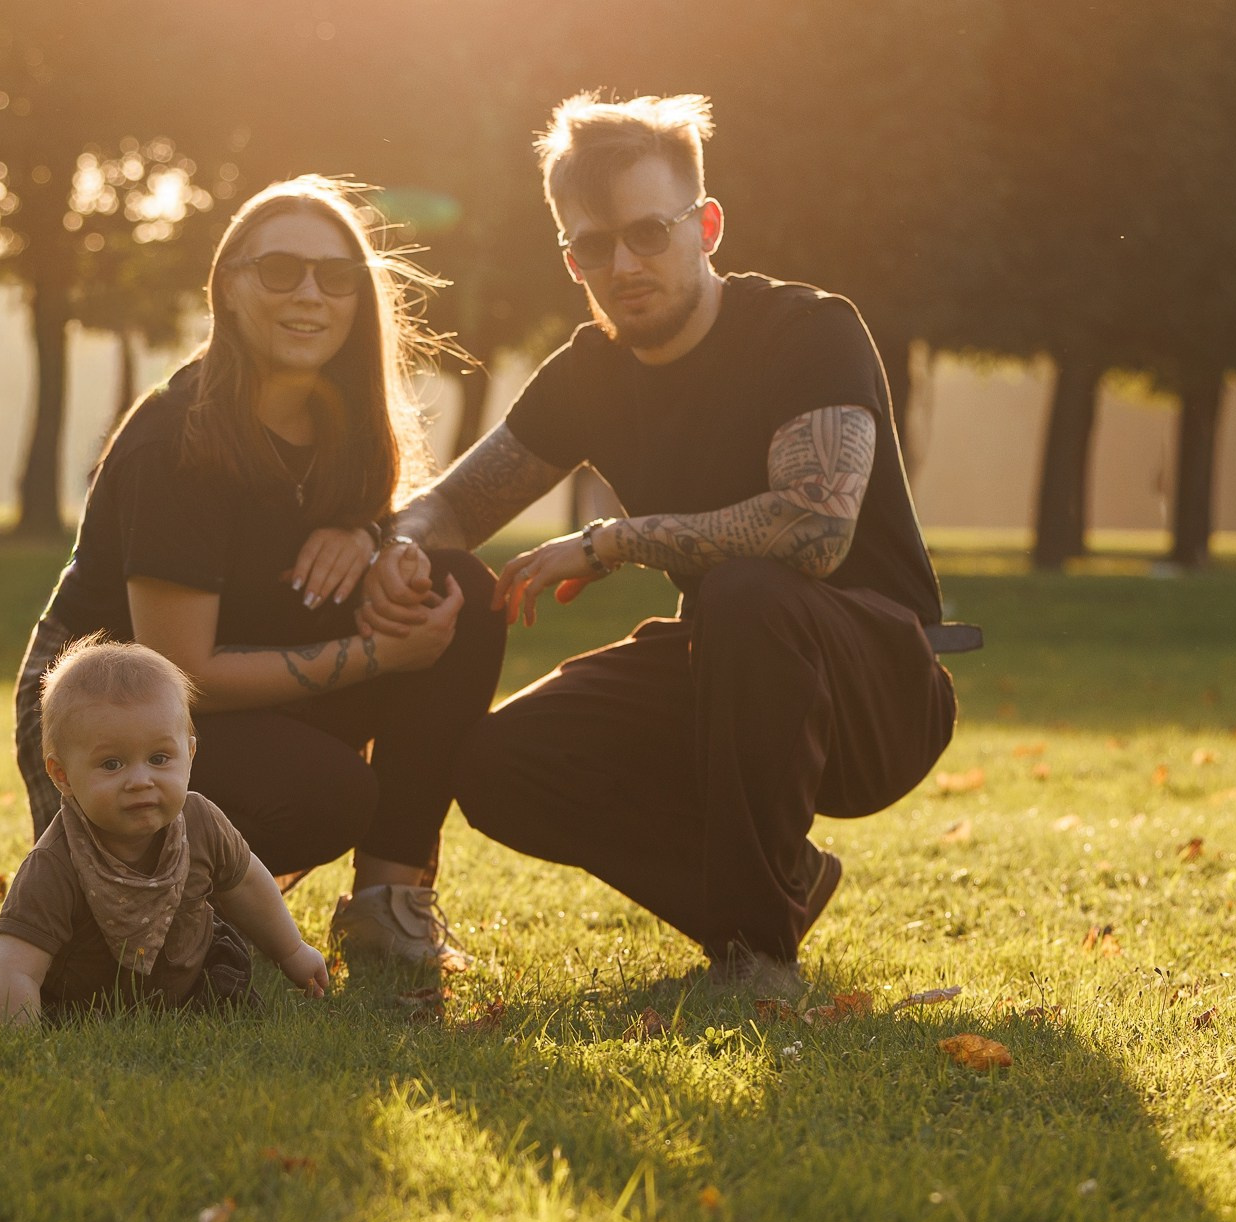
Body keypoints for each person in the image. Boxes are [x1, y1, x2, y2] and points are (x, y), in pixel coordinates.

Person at [371, 93, 958, 994]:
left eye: (649, 232)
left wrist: (613, 542)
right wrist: (394, 548)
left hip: (875, 685)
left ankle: (757, 961)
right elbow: (450, 509)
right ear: (570, 257)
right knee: (498, 766)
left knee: (747, 591)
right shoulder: (591, 373)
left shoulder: (809, 331)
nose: (622, 264)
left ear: (707, 225)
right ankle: (777, 885)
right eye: (591, 246)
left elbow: (815, 530)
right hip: (724, 673)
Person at [11, 176, 509, 971]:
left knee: (461, 595)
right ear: (230, 287)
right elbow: (182, 673)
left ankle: (389, 906)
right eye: (280, 270)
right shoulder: (178, 439)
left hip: (242, 676)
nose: (310, 294)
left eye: (335, 275)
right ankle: (151, 894)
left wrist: (374, 538)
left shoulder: (341, 420)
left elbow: (341, 531)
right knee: (331, 791)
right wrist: (379, 658)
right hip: (114, 717)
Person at [0, 637, 329, 1024]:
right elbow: (17, 965)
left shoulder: (200, 820)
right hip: (86, 1002)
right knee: (66, 1014)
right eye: (112, 764)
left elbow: (247, 884)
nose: (140, 780)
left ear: (190, 756)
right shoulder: (57, 860)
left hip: (192, 980)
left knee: (228, 979)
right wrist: (18, 1038)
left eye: (158, 758)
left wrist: (292, 952)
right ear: (63, 776)